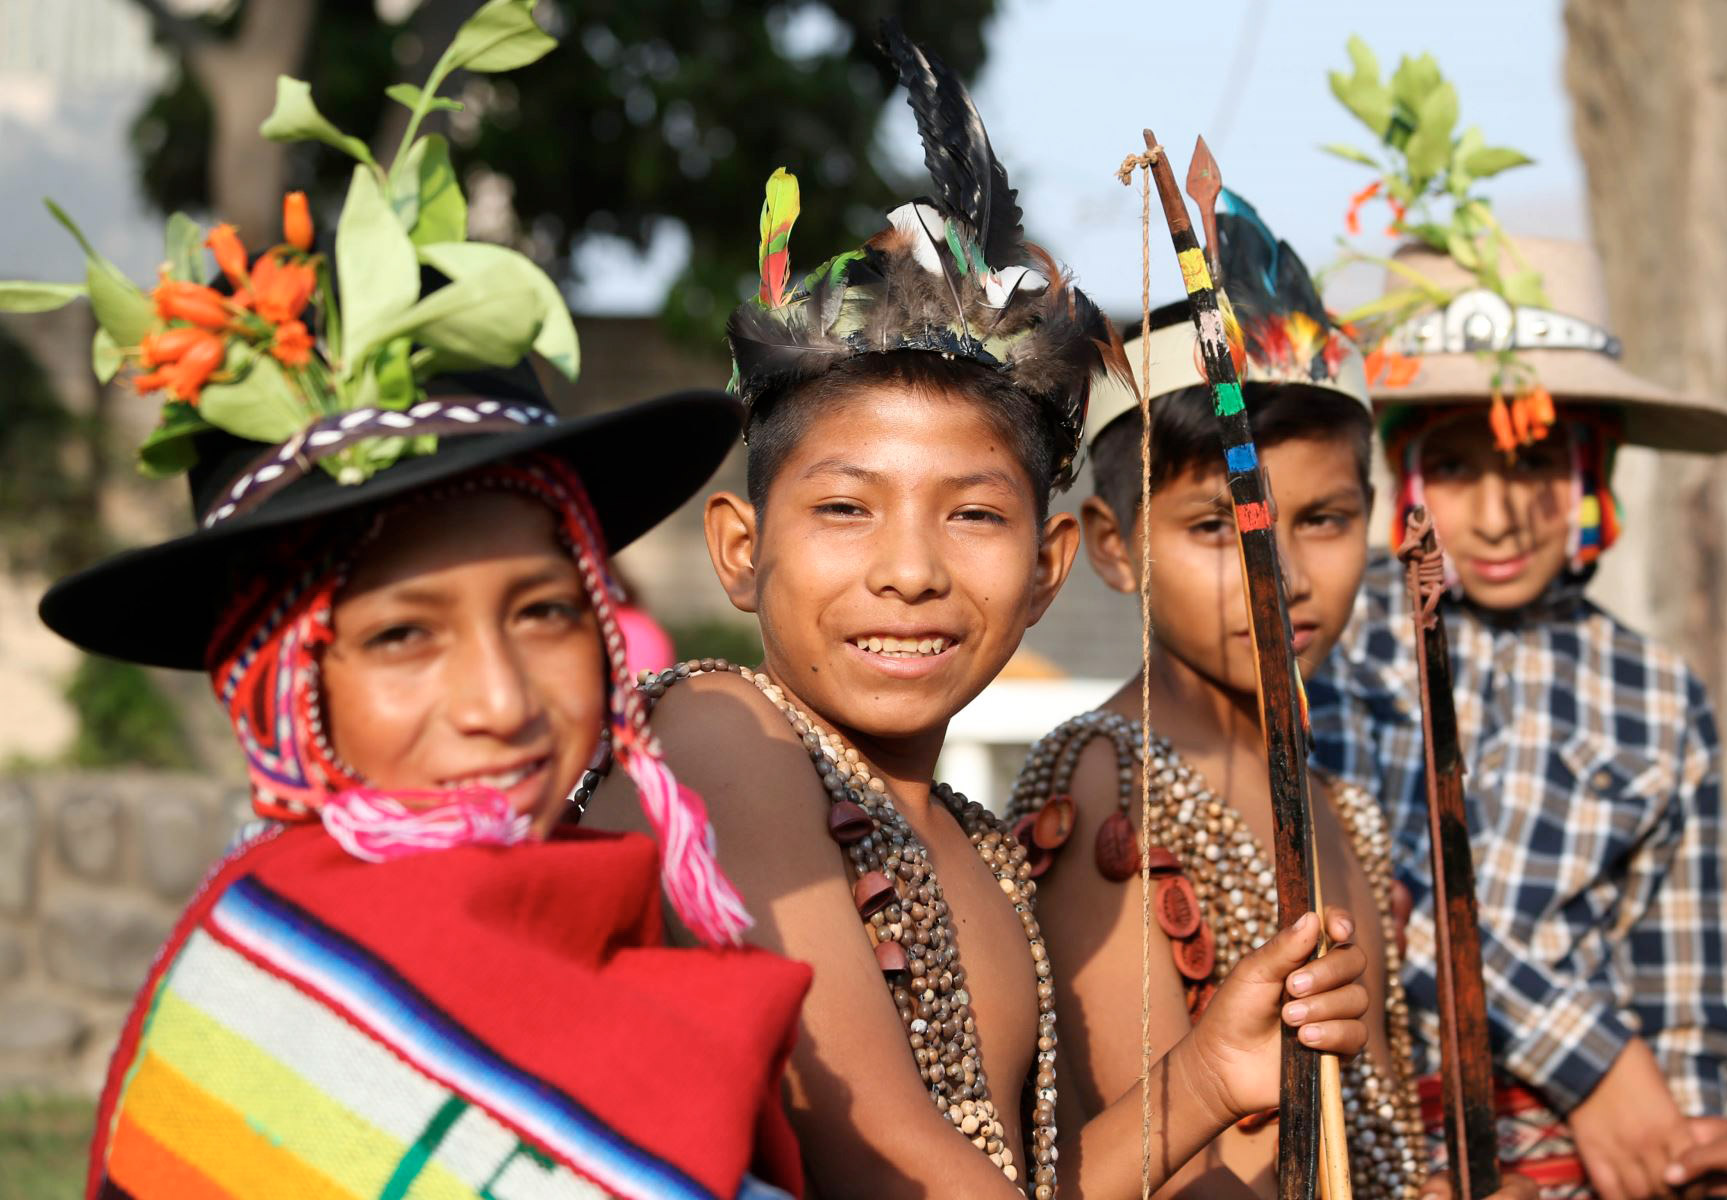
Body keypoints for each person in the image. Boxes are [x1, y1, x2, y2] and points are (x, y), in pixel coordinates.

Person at [16, 15, 810, 1197]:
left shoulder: (618, 918)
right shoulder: (273, 1005)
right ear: (286, 694)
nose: (500, 702)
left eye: (544, 614)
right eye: (399, 635)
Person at [592, 27, 1373, 1199]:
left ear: (1051, 569)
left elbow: (1021, 1182)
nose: (910, 571)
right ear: (741, 553)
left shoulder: (977, 848)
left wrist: (1207, 1081)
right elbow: (889, 1157)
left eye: (973, 516)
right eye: (848, 509)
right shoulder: (719, 739)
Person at [1008, 194, 1477, 1200]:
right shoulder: (1103, 782)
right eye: (1218, 528)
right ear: (1113, 546)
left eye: (1325, 519)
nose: (1283, 572)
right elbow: (1151, 1159)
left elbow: (1380, 1125)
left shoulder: (1337, 804)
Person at [1307, 232, 1727, 1200]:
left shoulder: (1656, 695)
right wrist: (1588, 1059)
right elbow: (1359, 897)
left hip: (1583, 1175)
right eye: (1460, 467)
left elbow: (1682, 1004)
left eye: (1538, 461)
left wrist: (1663, 1145)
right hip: (1374, 1151)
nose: (1502, 514)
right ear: (1406, 471)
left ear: (1594, 466)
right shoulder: (1345, 645)